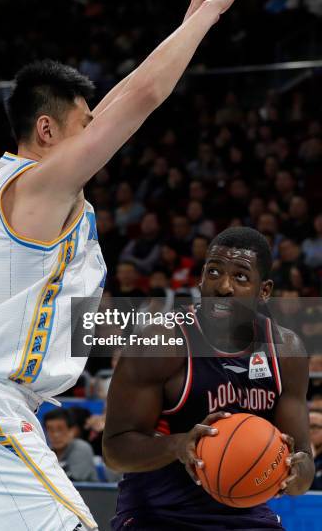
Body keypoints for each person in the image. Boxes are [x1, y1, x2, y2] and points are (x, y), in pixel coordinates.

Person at [0, 0, 256, 531]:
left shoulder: (45, 209)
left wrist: (184, 327)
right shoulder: (35, 188)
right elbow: (143, 97)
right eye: (84, 125)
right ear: (46, 130)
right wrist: (210, 15)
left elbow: (71, 322)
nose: (96, 133)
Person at [103, 227, 314, 530]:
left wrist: (295, 471)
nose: (223, 286)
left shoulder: (286, 351)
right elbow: (115, 450)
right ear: (201, 277)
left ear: (264, 291)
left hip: (245, 514)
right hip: (158, 514)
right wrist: (178, 446)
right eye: (214, 272)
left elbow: (302, 462)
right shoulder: (160, 343)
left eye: (240, 277)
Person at [43, 409, 98, 483]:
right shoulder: (46, 452)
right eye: (51, 430)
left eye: (60, 429)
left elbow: (73, 482)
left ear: (72, 431)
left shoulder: (81, 448)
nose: (55, 435)